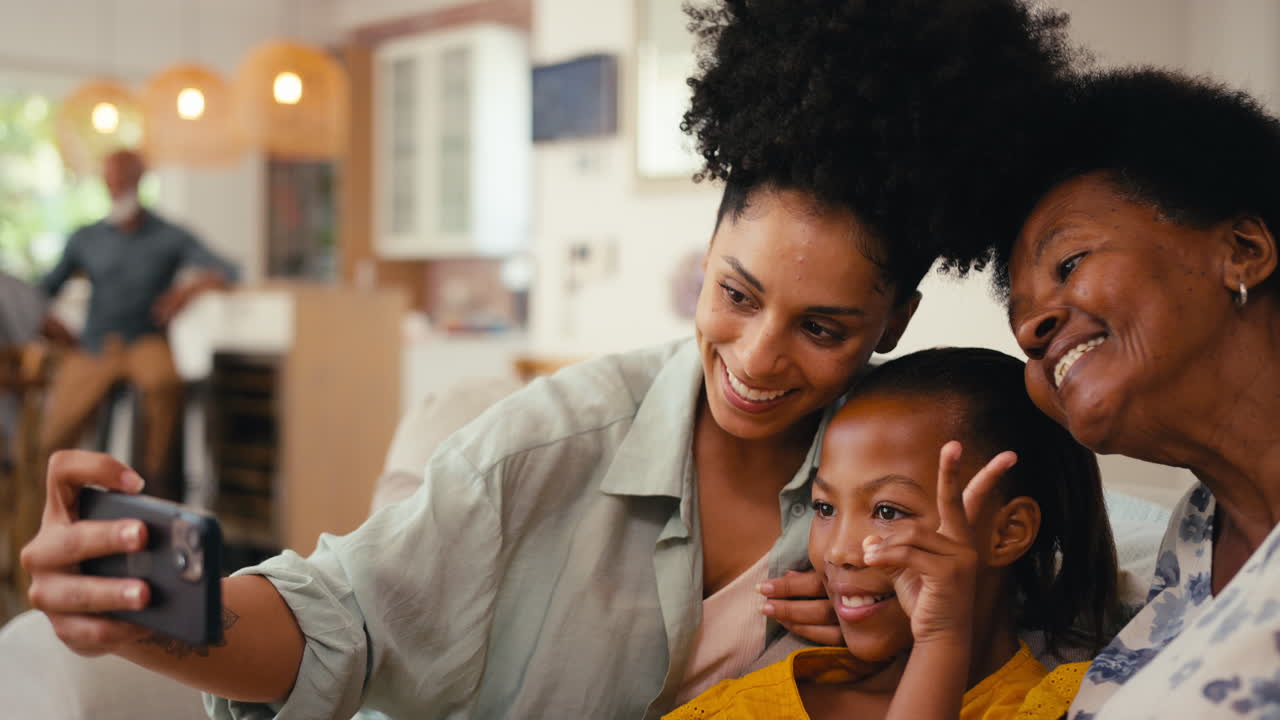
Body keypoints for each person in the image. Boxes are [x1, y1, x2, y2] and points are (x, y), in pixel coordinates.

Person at [20, 1, 1076, 717]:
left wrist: (893, 623)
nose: (756, 359)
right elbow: (339, 616)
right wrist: (140, 612)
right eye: (736, 295)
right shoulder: (552, 442)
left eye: (823, 328)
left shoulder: (899, 491)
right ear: (703, 258)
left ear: (890, 321)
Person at [939, 68, 1280, 719]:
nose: (1030, 332)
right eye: (1019, 317)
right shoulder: (1197, 532)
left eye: (1069, 265)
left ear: (1243, 250)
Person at [666, 348, 1122, 720]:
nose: (840, 551)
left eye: (887, 511)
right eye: (825, 507)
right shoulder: (747, 705)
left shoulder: (1066, 706)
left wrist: (939, 639)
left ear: (1007, 533)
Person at [38, 149, 238, 491]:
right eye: (111, 181)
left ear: (140, 180)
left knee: (165, 385)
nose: (117, 188)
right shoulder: (86, 238)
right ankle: (56, 495)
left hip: (146, 340)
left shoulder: (169, 236)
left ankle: (154, 485)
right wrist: (54, 329)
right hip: (95, 345)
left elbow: (228, 269)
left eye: (124, 180)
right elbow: (43, 290)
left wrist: (185, 293)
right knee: (56, 426)